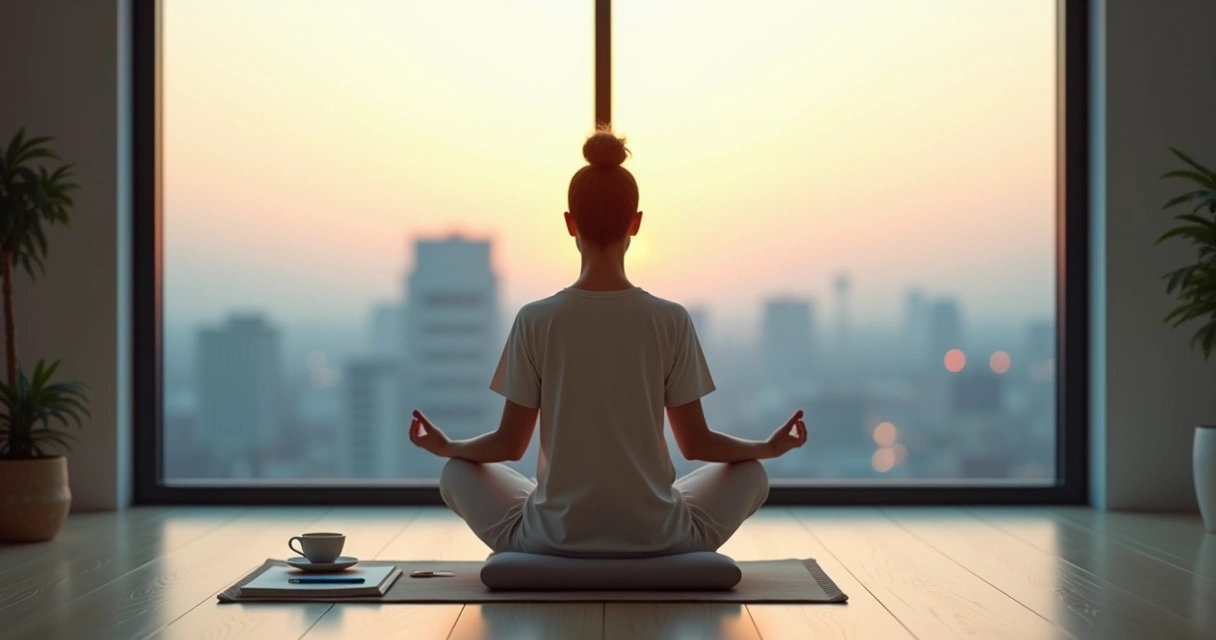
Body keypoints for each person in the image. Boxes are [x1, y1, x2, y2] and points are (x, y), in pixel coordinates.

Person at [408, 130, 807, 558]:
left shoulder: (535, 319)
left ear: (570, 223)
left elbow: (509, 445)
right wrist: (767, 448)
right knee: (752, 474)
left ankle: (547, 531)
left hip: (551, 539)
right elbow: (696, 444)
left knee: (455, 472)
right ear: (636, 222)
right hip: (660, 537)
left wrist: (447, 447)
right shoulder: (670, 319)